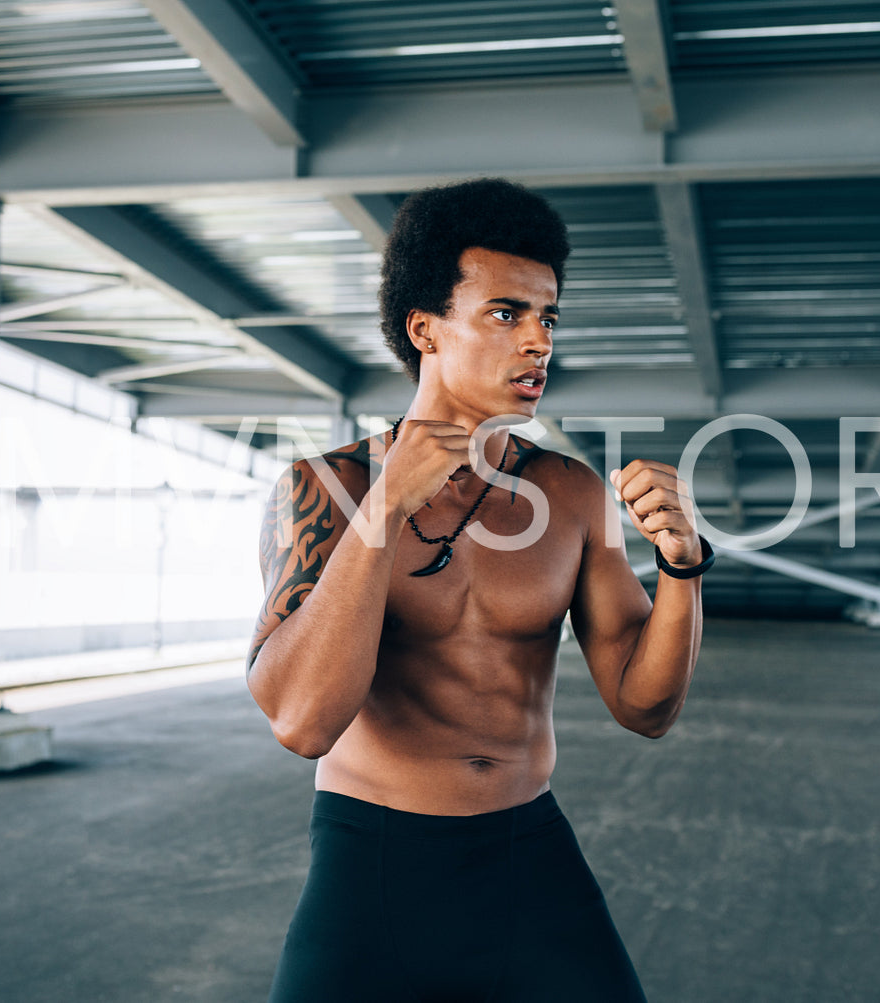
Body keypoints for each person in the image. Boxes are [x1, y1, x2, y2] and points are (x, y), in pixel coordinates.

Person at [248, 178, 711, 1002]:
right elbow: (302, 721)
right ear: (424, 329)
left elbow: (645, 709)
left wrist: (681, 569)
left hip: (526, 858)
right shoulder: (327, 486)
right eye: (507, 313)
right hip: (372, 863)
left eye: (548, 318)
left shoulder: (568, 494)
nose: (538, 341)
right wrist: (386, 506)